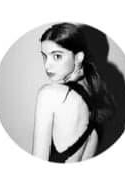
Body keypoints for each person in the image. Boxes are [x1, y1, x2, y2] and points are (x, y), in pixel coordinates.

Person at [31, 23, 111, 163]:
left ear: (78, 57)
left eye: (57, 56)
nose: (47, 65)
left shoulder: (49, 95)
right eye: (44, 56)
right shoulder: (94, 99)